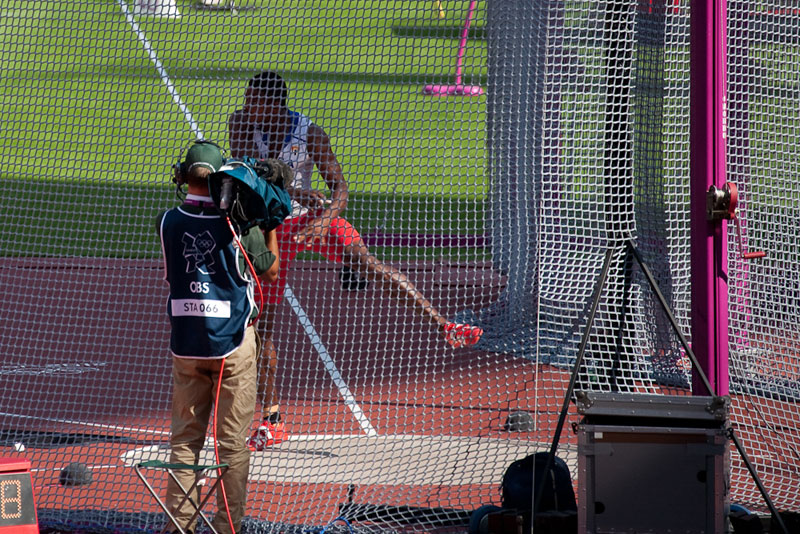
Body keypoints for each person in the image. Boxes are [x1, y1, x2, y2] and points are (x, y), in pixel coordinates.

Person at [228, 71, 483, 450]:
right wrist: (296, 189)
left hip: (308, 221)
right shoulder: (242, 124)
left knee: (366, 262)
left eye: (253, 101)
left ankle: (444, 325)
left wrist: (325, 221)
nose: (246, 106)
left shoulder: (310, 134)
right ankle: (274, 420)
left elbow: (341, 188)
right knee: (264, 324)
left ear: (272, 105)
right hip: (270, 229)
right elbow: (245, 176)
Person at [157, 141, 280, 534]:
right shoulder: (237, 224)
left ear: (182, 176)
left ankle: (179, 526)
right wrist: (268, 222)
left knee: (184, 442)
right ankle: (228, 528)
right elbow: (270, 271)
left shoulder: (167, 222)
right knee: (230, 446)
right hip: (233, 345)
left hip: (186, 345)